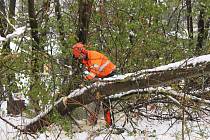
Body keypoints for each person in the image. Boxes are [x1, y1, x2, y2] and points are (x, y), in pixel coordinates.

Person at [72, 42, 116, 127]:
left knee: (106, 101)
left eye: (79, 56)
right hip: (102, 78)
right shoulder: (86, 60)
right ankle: (95, 120)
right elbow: (90, 73)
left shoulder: (94, 56)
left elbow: (93, 73)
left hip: (110, 76)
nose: (79, 58)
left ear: (83, 52)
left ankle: (110, 124)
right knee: (97, 98)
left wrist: (84, 82)